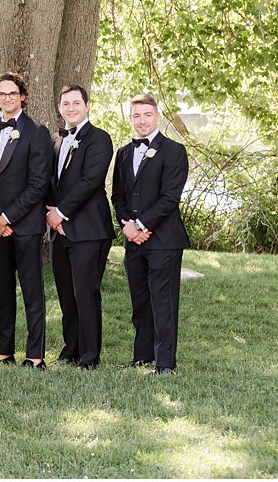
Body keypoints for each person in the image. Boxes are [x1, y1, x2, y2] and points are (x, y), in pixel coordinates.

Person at [113, 93, 190, 375]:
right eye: (136, 115)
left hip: (164, 240)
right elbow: (117, 195)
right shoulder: (122, 153)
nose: (141, 120)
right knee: (140, 299)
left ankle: (165, 362)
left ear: (157, 116)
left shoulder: (174, 151)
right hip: (133, 241)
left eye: (147, 115)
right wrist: (127, 226)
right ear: (131, 119)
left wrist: (142, 225)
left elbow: (170, 198)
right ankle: (142, 355)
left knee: (163, 300)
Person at [0, 71, 50, 368]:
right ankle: (4, 350)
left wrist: (9, 217)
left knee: (32, 291)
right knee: (3, 291)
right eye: (2, 93)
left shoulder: (37, 131)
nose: (7, 98)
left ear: (22, 96)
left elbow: (38, 185)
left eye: (12, 93)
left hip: (25, 225)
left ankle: (35, 354)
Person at [45, 84, 114, 369]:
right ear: (59, 107)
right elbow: (49, 181)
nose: (71, 108)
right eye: (66, 104)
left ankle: (89, 355)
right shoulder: (56, 140)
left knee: (85, 292)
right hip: (58, 229)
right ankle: (70, 348)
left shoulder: (99, 139)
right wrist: (50, 213)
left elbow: (90, 181)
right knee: (65, 292)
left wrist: (61, 213)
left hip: (88, 229)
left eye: (76, 103)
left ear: (87, 105)